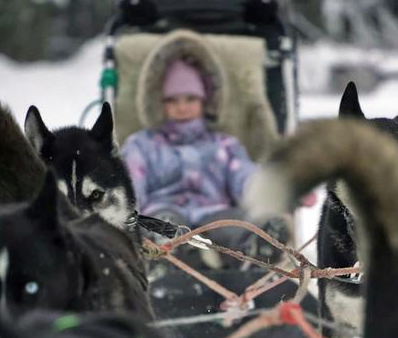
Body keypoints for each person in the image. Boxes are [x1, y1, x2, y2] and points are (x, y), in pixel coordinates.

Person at [121, 57, 292, 266]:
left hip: (214, 212)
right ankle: (167, 261)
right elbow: (131, 185)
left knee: (236, 225)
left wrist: (277, 190)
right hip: (163, 210)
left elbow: (245, 178)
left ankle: (256, 251)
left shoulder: (224, 145)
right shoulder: (141, 145)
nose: (181, 107)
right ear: (161, 104)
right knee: (163, 226)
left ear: (204, 101)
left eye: (190, 99)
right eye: (172, 100)